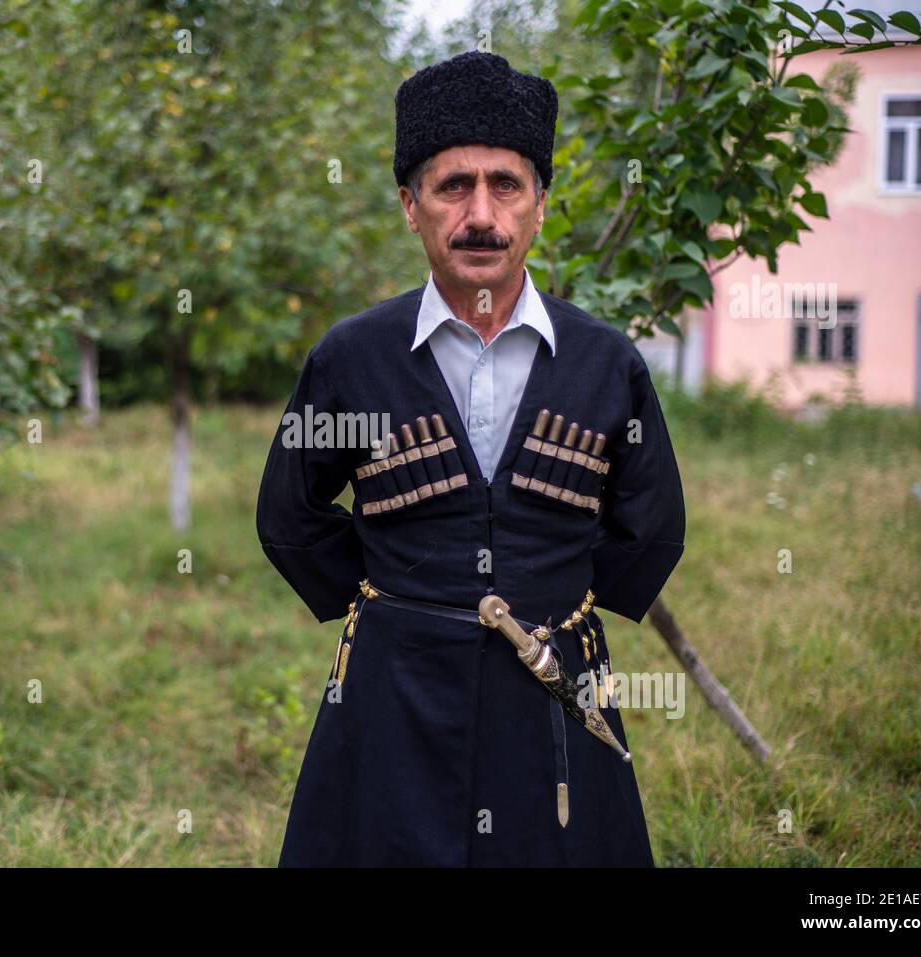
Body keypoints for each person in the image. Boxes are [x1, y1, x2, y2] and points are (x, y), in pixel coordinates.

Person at [255, 50, 686, 867]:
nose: (480, 214)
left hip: (557, 686)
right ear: (410, 206)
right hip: (390, 699)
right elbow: (289, 515)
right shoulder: (352, 358)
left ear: (542, 206)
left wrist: (549, 585)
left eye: (505, 185)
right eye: (454, 186)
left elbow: (651, 526)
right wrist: (404, 606)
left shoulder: (606, 362)